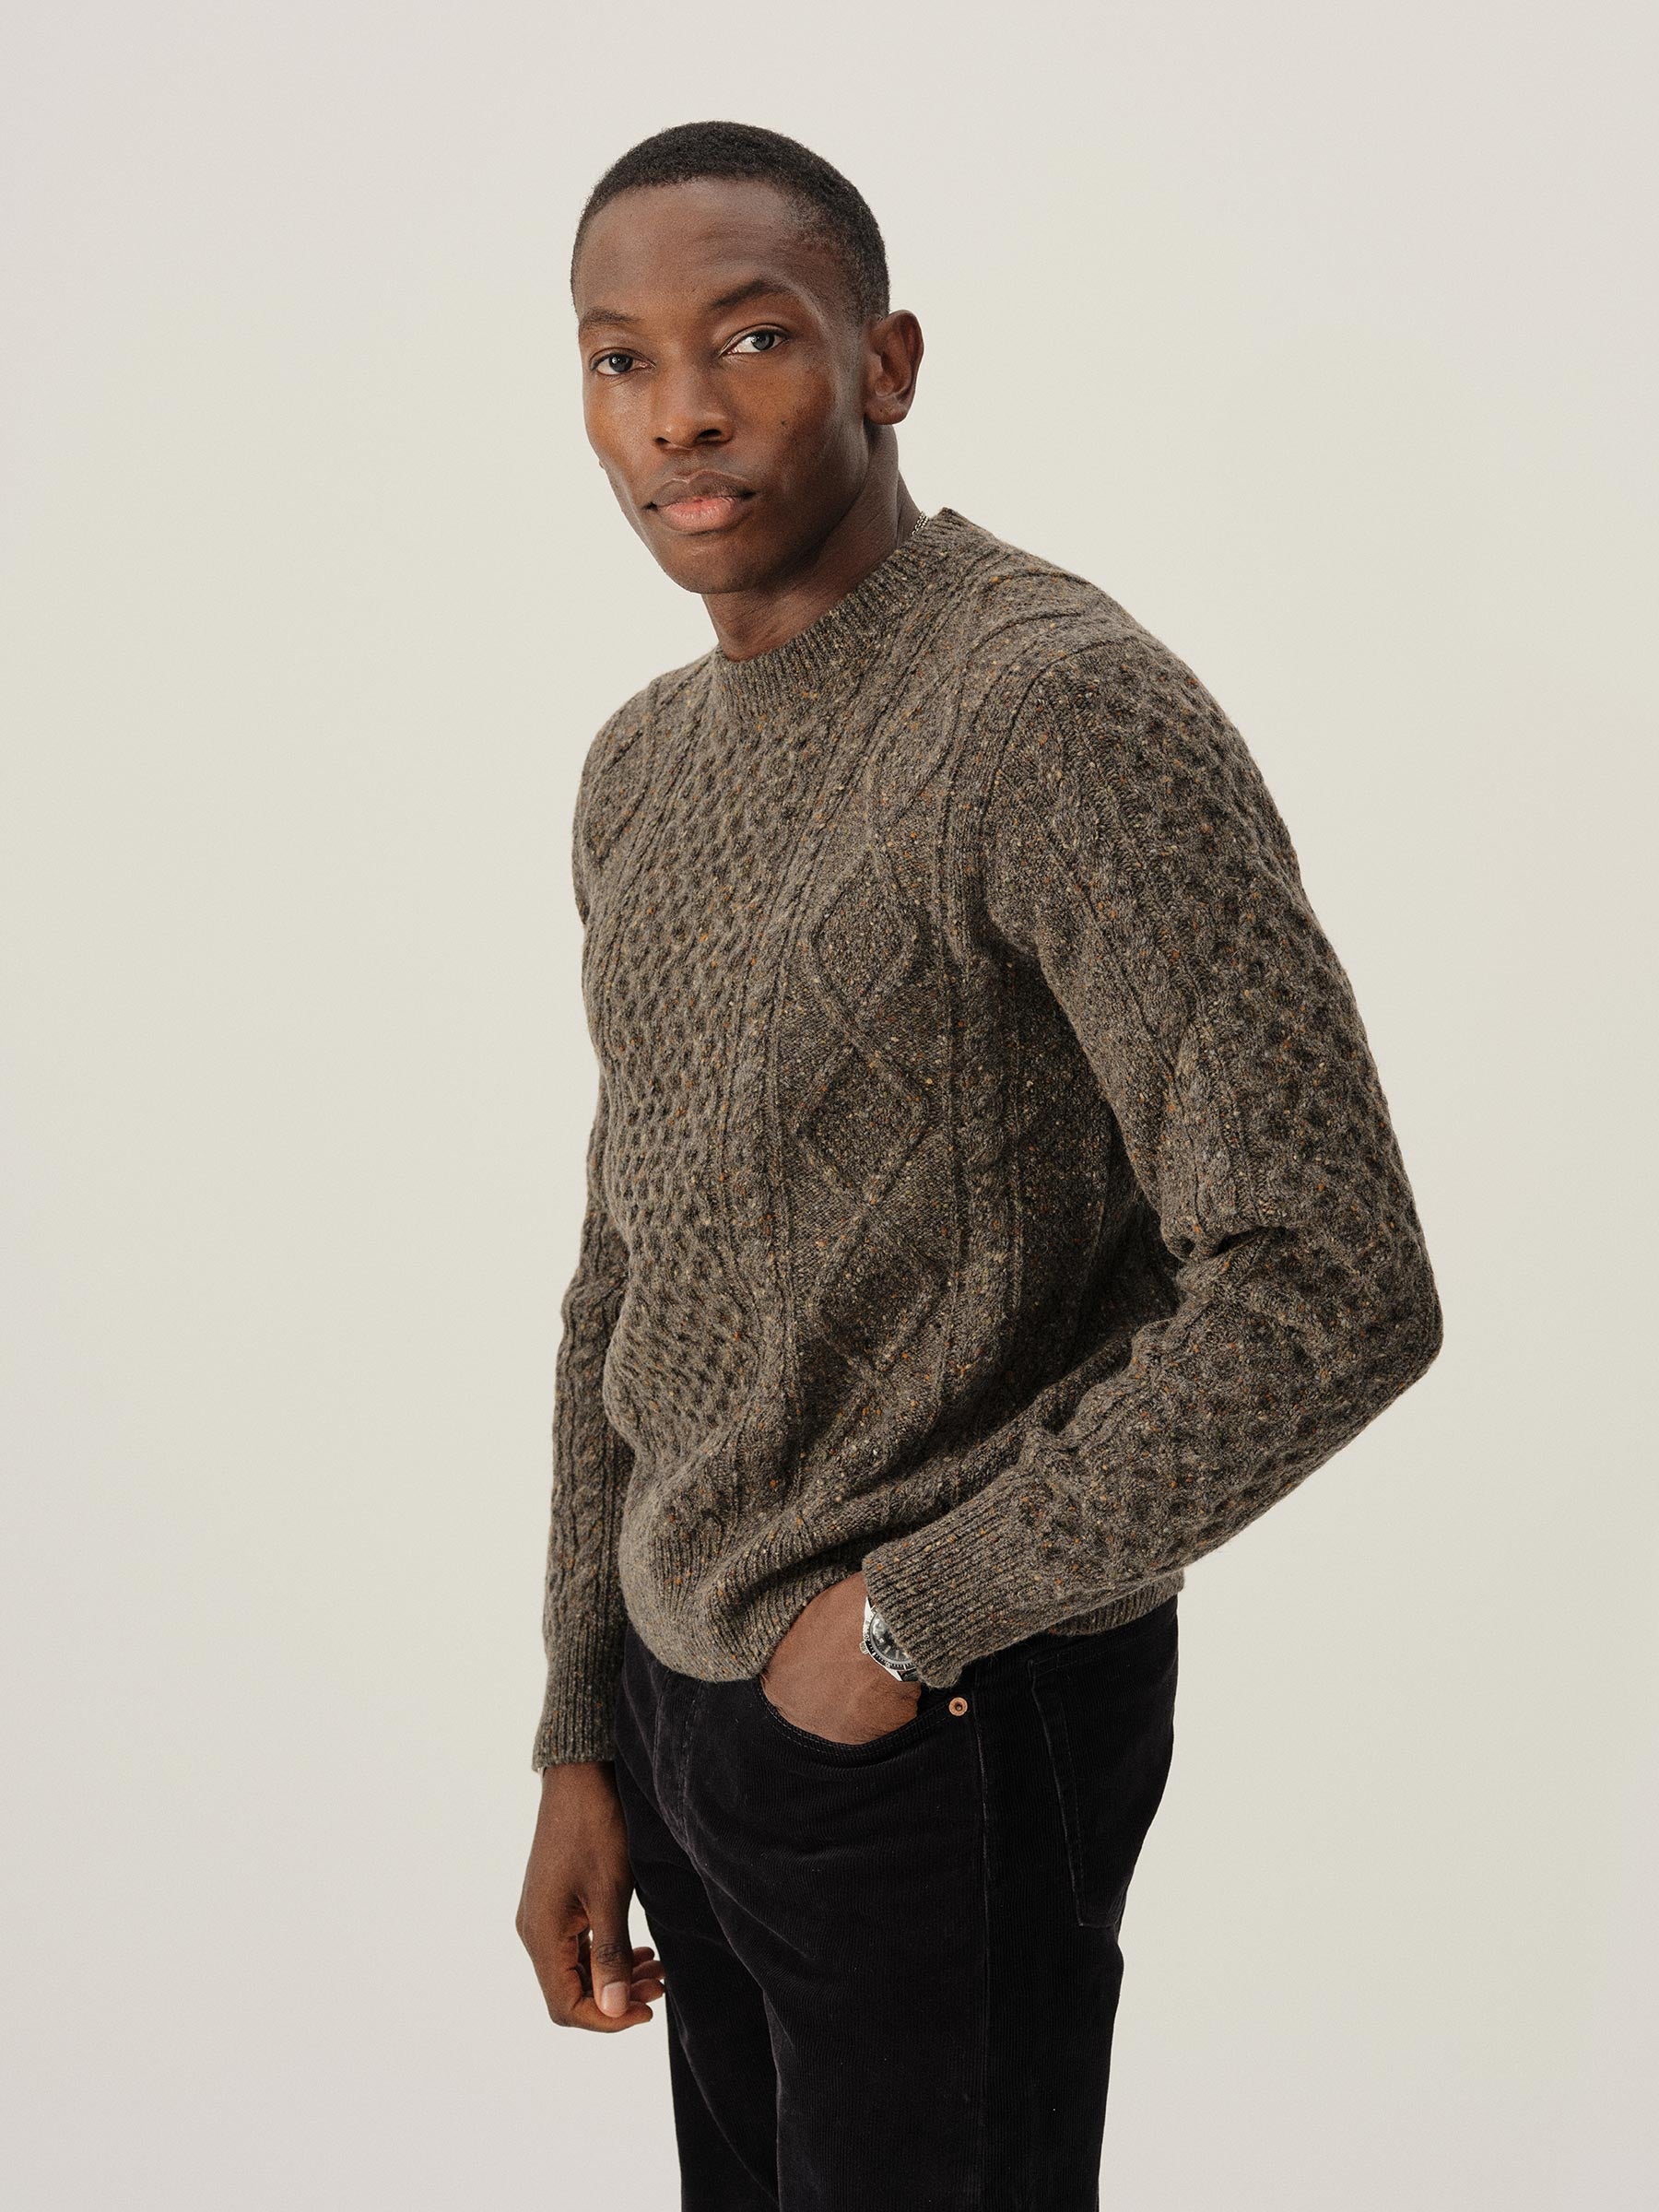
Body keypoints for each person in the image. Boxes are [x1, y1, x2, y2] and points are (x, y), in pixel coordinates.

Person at [515, 119, 1443, 2211]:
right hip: (693, 1722)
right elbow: (621, 1272)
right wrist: (585, 1727)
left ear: (887, 361)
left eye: (752, 337)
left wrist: (904, 1626)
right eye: (618, 359)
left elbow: (1331, 1278)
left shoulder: (1054, 709)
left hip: (936, 1720)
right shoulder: (639, 766)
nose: (680, 412)